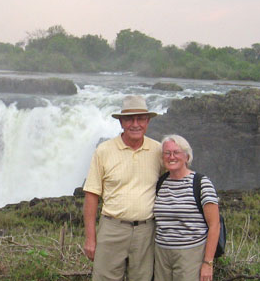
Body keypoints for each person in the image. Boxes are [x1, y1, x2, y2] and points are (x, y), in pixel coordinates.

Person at [83, 95, 163, 280]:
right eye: (129, 119)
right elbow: (91, 195)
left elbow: (176, 178)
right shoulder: (104, 151)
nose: (135, 124)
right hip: (112, 228)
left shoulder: (158, 151)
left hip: (146, 231)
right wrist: (90, 238)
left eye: (140, 119)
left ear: (148, 121)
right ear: (121, 122)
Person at [153, 134, 220, 281]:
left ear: (187, 156)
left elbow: (214, 225)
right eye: (167, 153)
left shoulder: (201, 183)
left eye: (176, 152)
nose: (171, 157)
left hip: (190, 254)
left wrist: (208, 263)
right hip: (161, 255)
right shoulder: (160, 183)